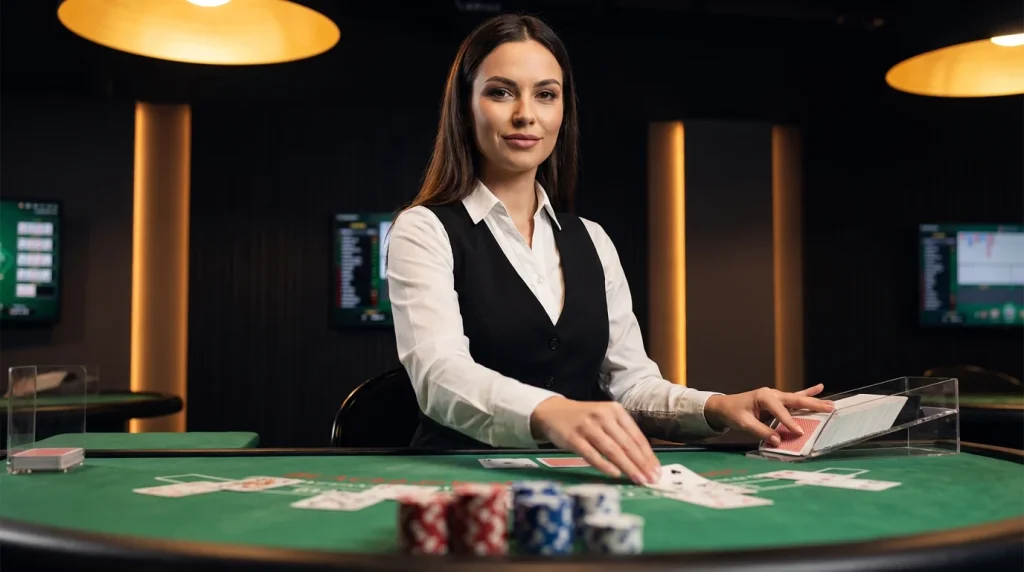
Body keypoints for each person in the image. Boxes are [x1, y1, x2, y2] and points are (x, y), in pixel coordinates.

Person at [385, 13, 833, 485]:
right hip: (459, 483)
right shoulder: (424, 230)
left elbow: (630, 386)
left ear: (563, 110)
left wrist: (718, 407)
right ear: (464, 107)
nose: (525, 114)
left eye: (545, 94)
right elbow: (439, 376)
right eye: (500, 92)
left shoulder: (593, 240)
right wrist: (552, 412)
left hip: (577, 481)